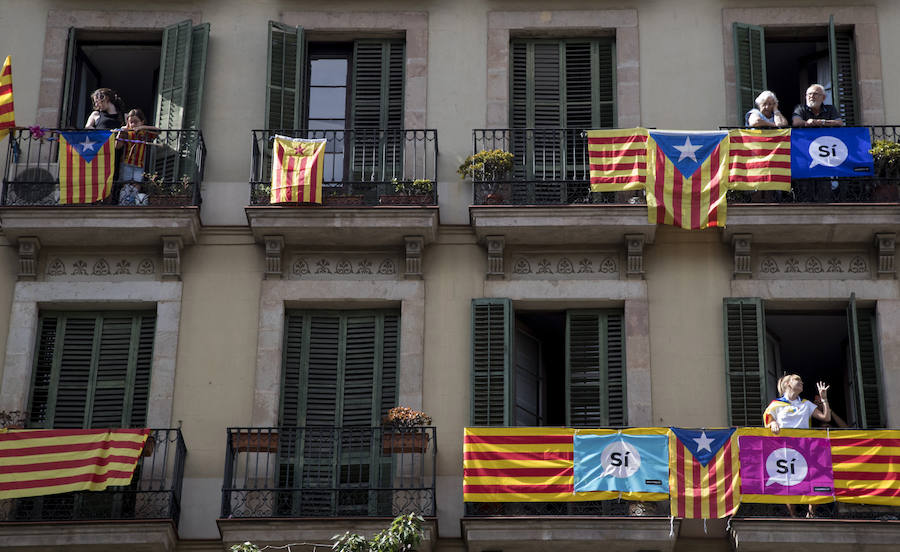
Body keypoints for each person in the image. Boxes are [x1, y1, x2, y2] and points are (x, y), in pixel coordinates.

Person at [116, 108, 158, 205]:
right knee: (126, 184)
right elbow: (117, 146)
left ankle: (132, 204)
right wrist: (120, 132)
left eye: (136, 122)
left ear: (142, 121)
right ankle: (124, 203)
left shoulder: (145, 133)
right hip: (126, 163)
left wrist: (142, 127)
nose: (133, 124)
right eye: (131, 122)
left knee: (137, 185)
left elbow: (158, 131)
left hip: (139, 164)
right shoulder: (127, 133)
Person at [764, 374, 831, 433]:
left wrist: (824, 399)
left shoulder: (806, 404)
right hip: (783, 442)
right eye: (797, 379)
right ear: (787, 383)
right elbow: (768, 423)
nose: (801, 382)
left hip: (802, 442)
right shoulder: (775, 404)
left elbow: (826, 418)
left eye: (801, 381)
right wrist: (773, 423)